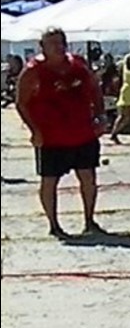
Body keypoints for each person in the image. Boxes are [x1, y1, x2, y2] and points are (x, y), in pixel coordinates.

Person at [15, 28, 106, 239]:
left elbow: (95, 90)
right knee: (50, 180)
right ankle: (54, 225)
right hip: (51, 137)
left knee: (88, 177)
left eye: (61, 42)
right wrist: (34, 130)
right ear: (43, 47)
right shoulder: (33, 71)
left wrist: (100, 117)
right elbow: (21, 103)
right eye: (52, 43)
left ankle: (89, 221)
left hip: (83, 132)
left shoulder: (78, 64)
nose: (58, 47)